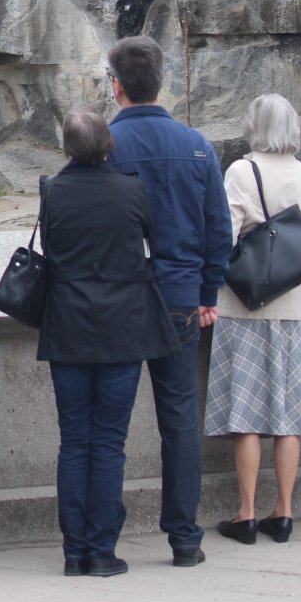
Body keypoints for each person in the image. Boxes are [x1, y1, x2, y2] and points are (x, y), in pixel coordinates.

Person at [104, 35, 232, 567]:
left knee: (109, 425)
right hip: (180, 297)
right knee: (179, 420)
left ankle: (103, 537)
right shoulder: (198, 146)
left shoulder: (104, 146)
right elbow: (218, 231)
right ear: (160, 81)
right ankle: (184, 537)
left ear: (116, 86)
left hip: (118, 298)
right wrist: (206, 292)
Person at [39, 106, 178, 578]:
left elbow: (52, 253)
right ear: (109, 145)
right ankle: (102, 548)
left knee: (74, 438)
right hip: (122, 327)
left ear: (66, 149)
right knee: (109, 441)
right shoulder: (131, 189)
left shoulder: (54, 192)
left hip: (69, 327)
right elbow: (155, 245)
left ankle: (73, 550)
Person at [205, 94, 301, 545]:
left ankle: (247, 513)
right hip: (290, 310)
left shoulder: (242, 171)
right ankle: (285, 512)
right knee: (288, 416)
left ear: (254, 126)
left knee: (247, 415)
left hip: (243, 306)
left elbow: (224, 235)